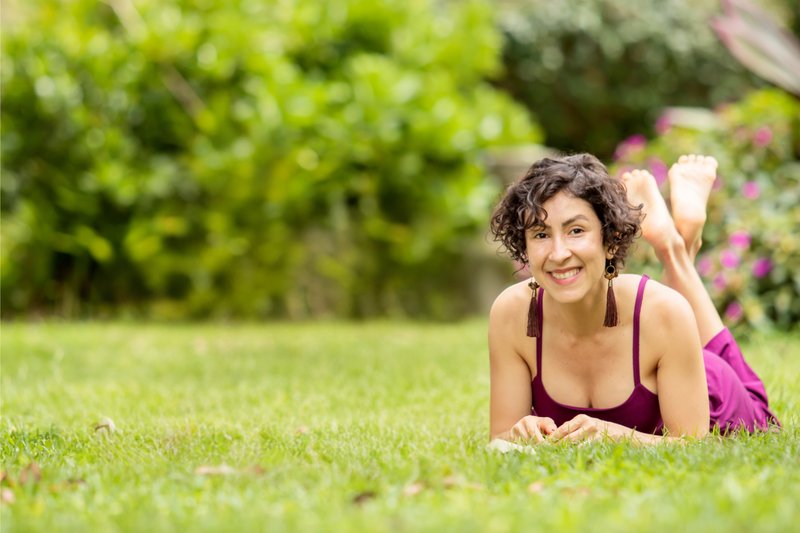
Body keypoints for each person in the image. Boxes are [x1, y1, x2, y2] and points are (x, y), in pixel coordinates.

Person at [488, 153, 780, 444]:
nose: (559, 253)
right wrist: (519, 432)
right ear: (523, 245)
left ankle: (673, 246)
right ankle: (677, 242)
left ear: (610, 240)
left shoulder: (664, 310)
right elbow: (500, 437)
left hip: (708, 392)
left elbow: (694, 446)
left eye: (576, 231)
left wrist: (614, 435)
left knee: (756, 405)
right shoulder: (510, 313)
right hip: (670, 352)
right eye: (540, 234)